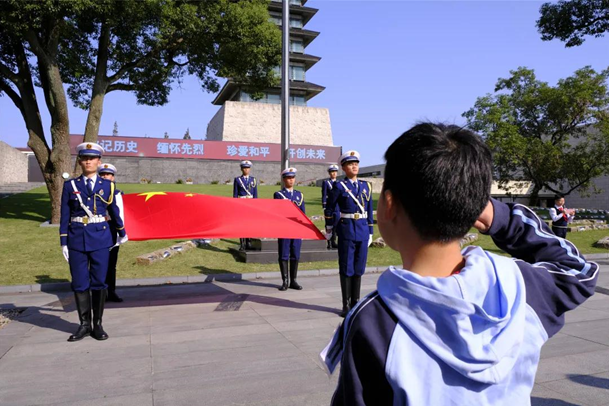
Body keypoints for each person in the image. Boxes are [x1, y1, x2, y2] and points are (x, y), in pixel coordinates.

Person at [320, 123, 598, 405]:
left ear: (388, 206)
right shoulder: (518, 286)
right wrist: (498, 217)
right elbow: (578, 271)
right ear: (473, 204)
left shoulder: (374, 321)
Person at [60, 143, 128, 342]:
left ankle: (97, 325)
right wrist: (63, 241)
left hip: (100, 238)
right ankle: (83, 325)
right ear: (80, 161)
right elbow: (65, 215)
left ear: (99, 162)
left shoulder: (108, 185)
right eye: (84, 158)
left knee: (99, 282)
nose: (88, 161)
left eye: (92, 158)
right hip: (76, 239)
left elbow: (114, 212)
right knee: (80, 283)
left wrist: (121, 232)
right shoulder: (70, 186)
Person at [324, 151, 374, 317]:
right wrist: (329, 228)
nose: (355, 166)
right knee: (347, 266)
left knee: (359, 267)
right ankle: (346, 304)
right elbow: (329, 208)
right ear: (344, 168)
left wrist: (371, 231)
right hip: (346, 229)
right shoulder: (339, 187)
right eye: (351, 164)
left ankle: (356, 302)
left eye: (356, 163)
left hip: (362, 229)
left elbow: (368, 210)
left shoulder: (366, 186)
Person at [274, 167, 305, 291]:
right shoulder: (279, 194)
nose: (291, 180)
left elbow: (303, 214)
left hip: (296, 229)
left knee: (295, 254)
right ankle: (285, 281)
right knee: (284, 254)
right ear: (284, 179)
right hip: (284, 228)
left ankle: (294, 280)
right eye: (288, 178)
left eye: (292, 178)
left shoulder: (299, 195)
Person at [98, 163, 124, 303]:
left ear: (113, 177)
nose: (105, 177)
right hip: (97, 231)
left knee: (111, 263)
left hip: (113, 231)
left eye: (107, 174)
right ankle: (99, 293)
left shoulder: (119, 194)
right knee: (98, 263)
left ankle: (111, 292)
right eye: (102, 174)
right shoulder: (94, 191)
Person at [233, 160, 258, 250]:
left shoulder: (253, 180)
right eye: (244, 168)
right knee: (242, 223)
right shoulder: (238, 180)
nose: (246, 170)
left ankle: (249, 241)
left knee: (250, 223)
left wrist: (256, 205)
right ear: (241, 169)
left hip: (251, 204)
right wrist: (235, 205)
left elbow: (255, 194)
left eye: (247, 168)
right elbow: (235, 194)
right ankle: (242, 243)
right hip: (242, 203)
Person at [321, 164, 340, 250]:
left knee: (336, 224)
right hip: (329, 207)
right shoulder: (326, 182)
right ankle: (328, 242)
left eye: (335, 172)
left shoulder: (340, 183)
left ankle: (334, 241)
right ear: (329, 173)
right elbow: (324, 194)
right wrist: (324, 206)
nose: (334, 174)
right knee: (329, 225)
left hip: (337, 207)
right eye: (332, 172)